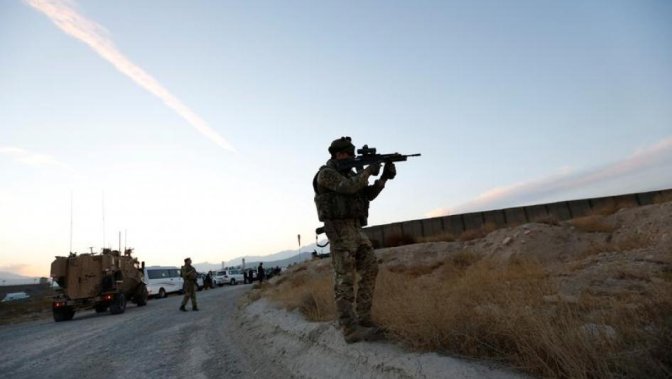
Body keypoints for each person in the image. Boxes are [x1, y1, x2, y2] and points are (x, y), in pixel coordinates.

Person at [312, 136, 396, 343]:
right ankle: (349, 330)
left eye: (352, 154)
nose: (350, 156)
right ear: (338, 154)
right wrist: (368, 171)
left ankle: (364, 320)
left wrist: (383, 177)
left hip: (356, 229)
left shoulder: (351, 173)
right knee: (344, 280)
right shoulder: (326, 174)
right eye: (348, 154)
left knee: (370, 268)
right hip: (340, 232)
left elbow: (366, 195)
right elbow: (348, 187)